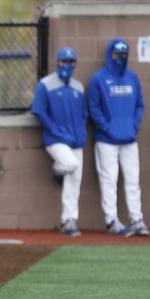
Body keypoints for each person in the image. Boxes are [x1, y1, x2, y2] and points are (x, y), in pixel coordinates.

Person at [88, 38, 150, 236]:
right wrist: (106, 128)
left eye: (124, 54)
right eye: (117, 53)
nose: (120, 57)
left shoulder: (133, 77)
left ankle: (137, 219)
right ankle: (111, 221)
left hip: (129, 139)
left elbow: (140, 105)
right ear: (110, 54)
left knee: (133, 180)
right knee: (109, 180)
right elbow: (94, 108)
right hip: (106, 140)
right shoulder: (98, 79)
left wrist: (134, 126)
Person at [31, 47, 89, 237]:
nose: (68, 65)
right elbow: (39, 112)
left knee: (75, 182)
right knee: (70, 165)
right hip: (55, 139)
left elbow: (84, 114)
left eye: (72, 62)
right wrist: (56, 131)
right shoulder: (45, 84)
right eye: (64, 61)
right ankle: (57, 169)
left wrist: (81, 134)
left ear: (76, 64)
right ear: (57, 62)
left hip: (76, 140)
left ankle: (68, 220)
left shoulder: (79, 87)